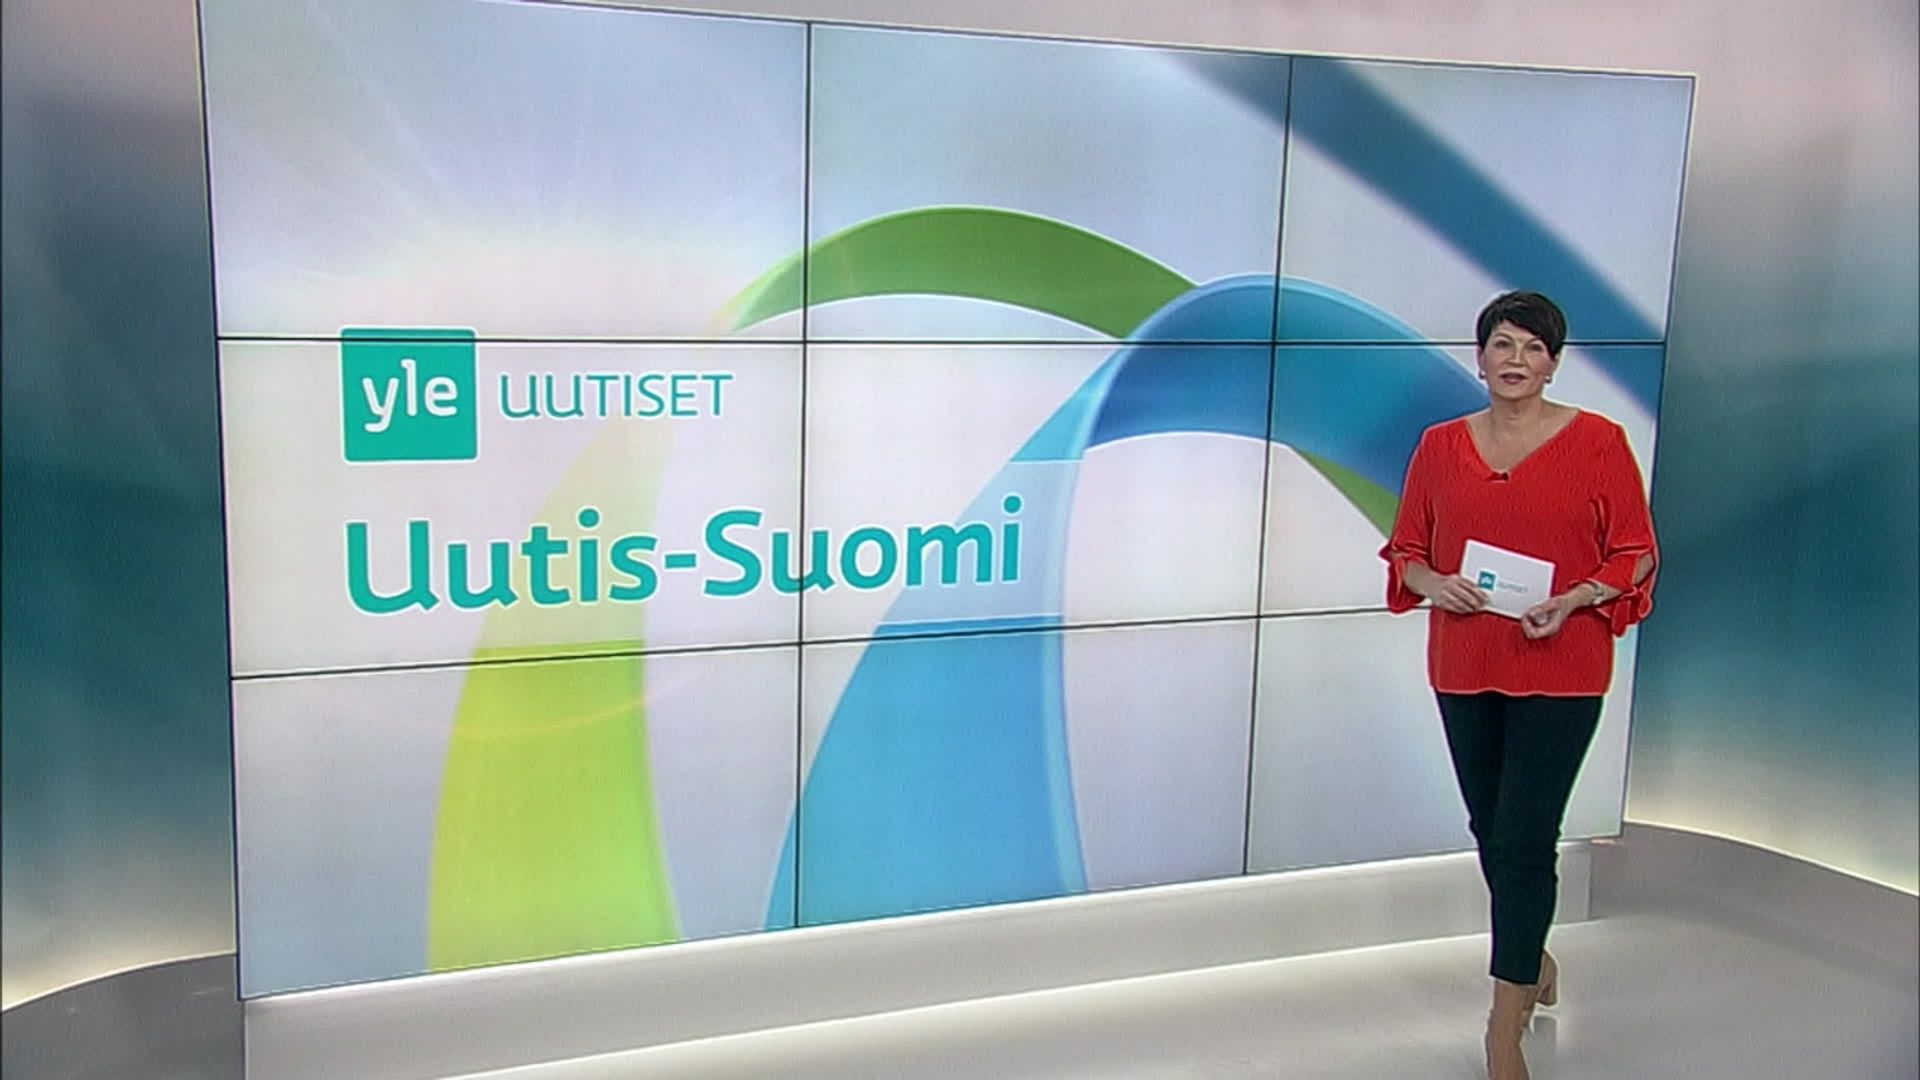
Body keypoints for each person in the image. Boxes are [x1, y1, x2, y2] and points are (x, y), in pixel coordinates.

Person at [1380, 290, 1658, 1080]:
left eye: (1534, 348)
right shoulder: (1440, 446)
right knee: (1490, 828)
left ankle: (1504, 1024)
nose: (1516, 359)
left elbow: (1634, 552)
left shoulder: (1599, 442)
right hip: (1466, 663)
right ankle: (1531, 956)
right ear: (1480, 357)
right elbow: (1407, 552)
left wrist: (1576, 598)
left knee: (1527, 835)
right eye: (1503, 344)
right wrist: (1434, 583)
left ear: (1554, 364)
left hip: (1562, 665)